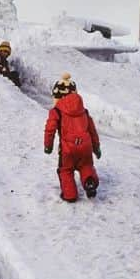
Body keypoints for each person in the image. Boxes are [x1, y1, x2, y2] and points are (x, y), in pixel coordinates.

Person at [44, 73, 100, 202]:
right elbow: (92, 131)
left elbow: (50, 129)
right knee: (86, 165)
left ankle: (70, 195)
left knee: (65, 170)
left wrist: (48, 145)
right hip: (85, 146)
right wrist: (96, 148)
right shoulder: (84, 111)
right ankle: (89, 181)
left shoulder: (56, 111)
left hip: (68, 149)